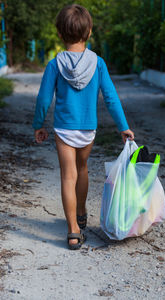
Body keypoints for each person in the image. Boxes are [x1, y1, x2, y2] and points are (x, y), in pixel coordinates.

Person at [32, 4, 134, 250]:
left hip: (64, 130)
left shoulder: (55, 65)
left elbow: (44, 99)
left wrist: (39, 124)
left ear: (59, 33)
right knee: (83, 168)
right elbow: (110, 97)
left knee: (68, 176)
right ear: (88, 32)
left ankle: (73, 232)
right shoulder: (98, 63)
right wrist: (123, 126)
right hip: (88, 129)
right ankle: (80, 211)